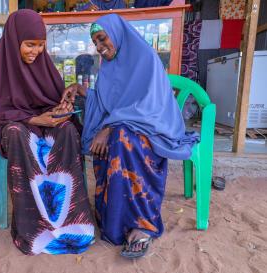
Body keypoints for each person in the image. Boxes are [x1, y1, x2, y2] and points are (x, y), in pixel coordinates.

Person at [62, 14, 199, 259]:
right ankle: (114, 220)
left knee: (123, 139)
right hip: (126, 127)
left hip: (153, 128)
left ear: (116, 34)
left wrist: (109, 127)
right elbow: (108, 103)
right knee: (114, 140)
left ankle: (141, 224)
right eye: (95, 43)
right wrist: (82, 90)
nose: (100, 47)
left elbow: (148, 106)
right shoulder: (108, 68)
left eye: (102, 39)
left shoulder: (146, 58)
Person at [0, 9, 95, 255]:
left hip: (45, 123)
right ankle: (33, 226)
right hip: (14, 124)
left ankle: (70, 220)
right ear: (15, 41)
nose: (36, 51)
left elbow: (51, 99)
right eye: (29, 45)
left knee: (67, 129)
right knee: (16, 133)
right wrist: (34, 118)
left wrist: (61, 109)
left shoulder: (44, 65)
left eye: (41, 45)